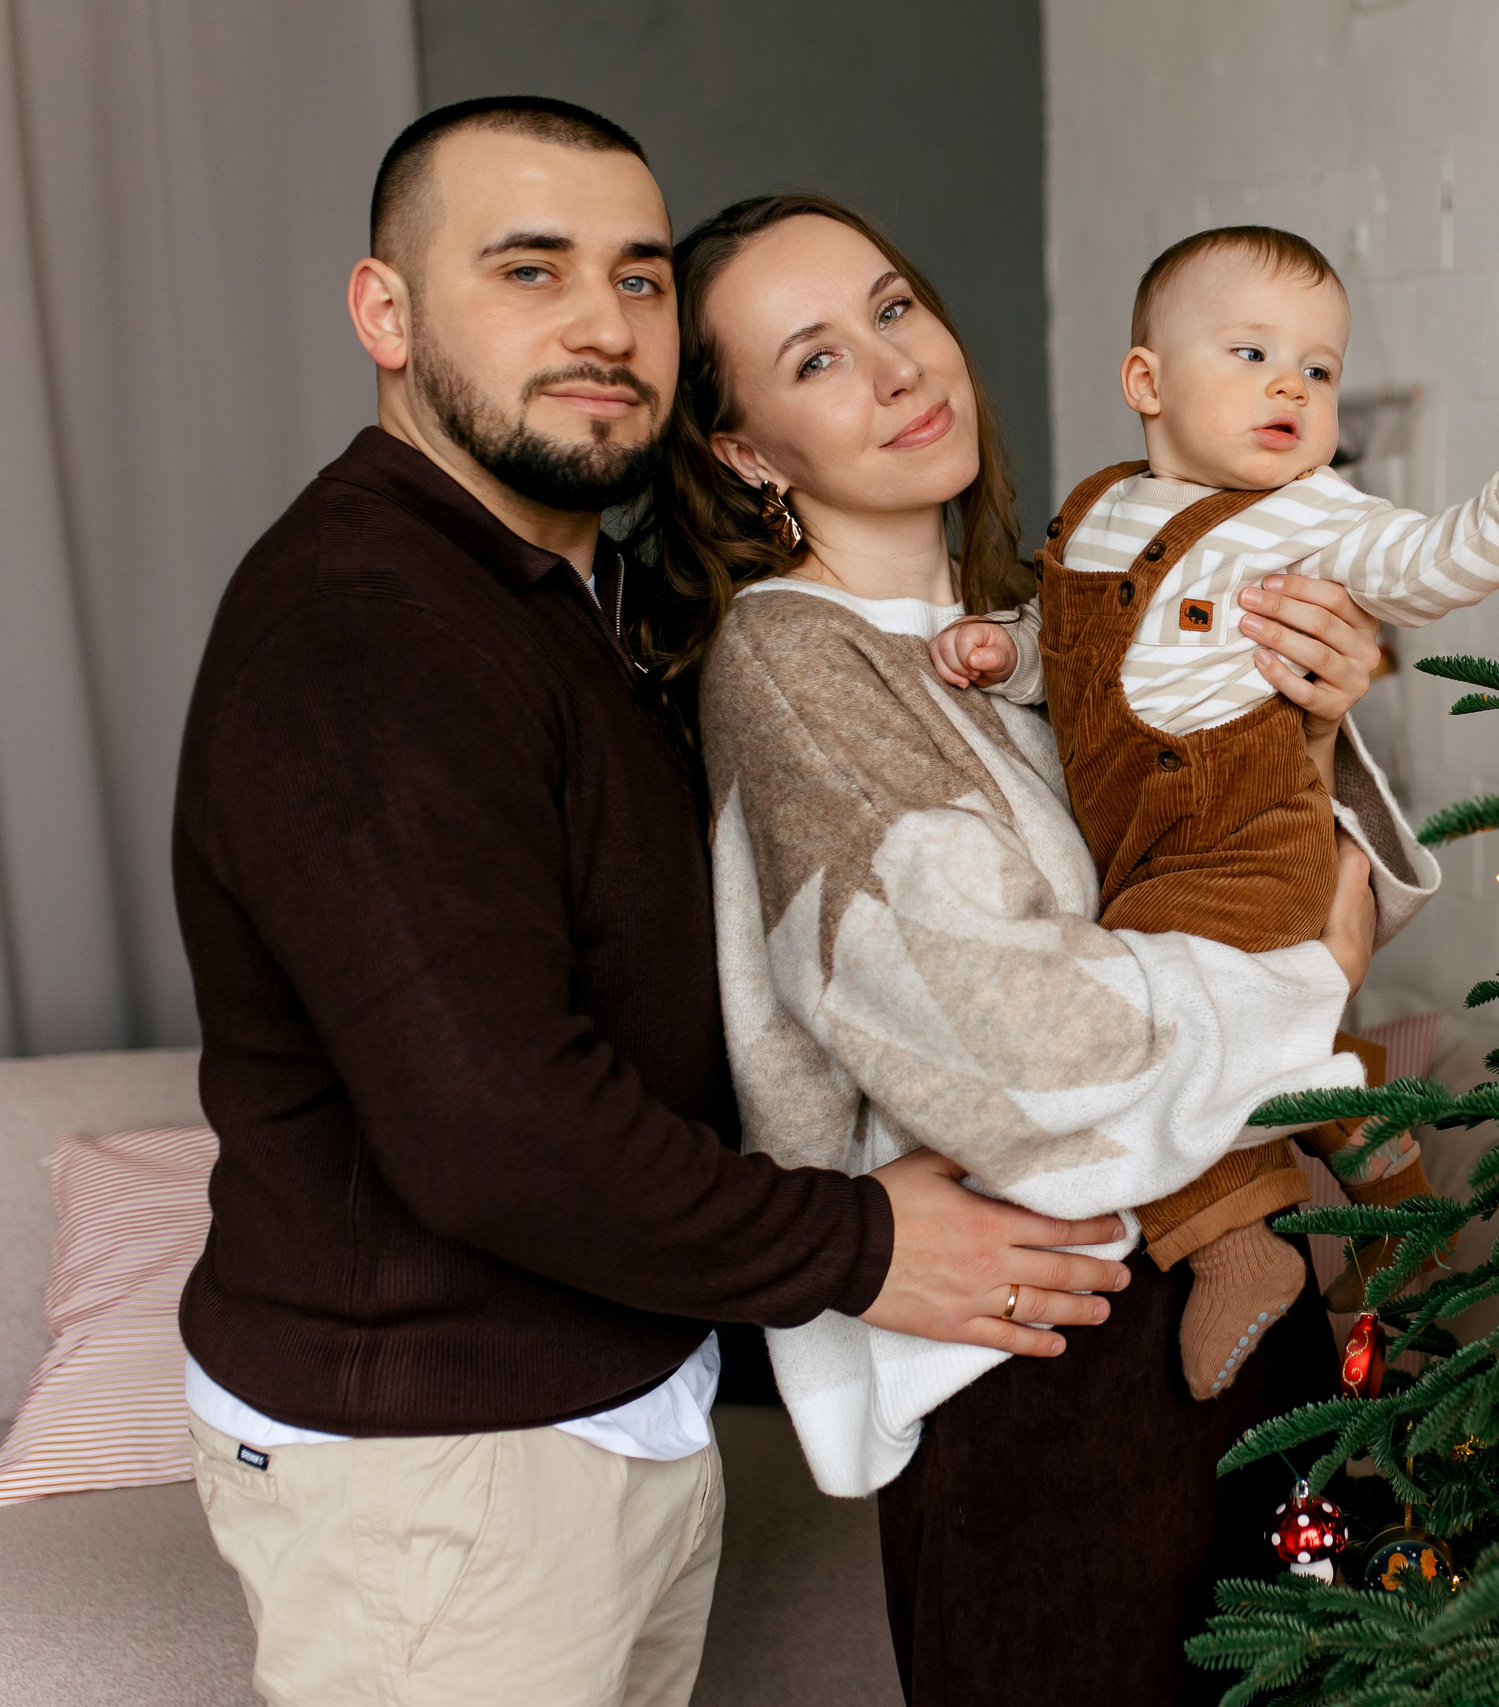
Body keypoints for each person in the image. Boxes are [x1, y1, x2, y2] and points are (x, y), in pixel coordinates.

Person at [171, 97, 1134, 1707]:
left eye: (634, 278)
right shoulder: (365, 631)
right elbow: (491, 1121)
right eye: (529, 271)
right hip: (443, 1464)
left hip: (606, 1408)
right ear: (385, 313)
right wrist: (859, 1242)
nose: (603, 327)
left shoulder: (558, 596)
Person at [643, 191, 1427, 1705]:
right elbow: (1009, 1035)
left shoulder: (1051, 609)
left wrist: (1313, 726)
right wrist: (1308, 984)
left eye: (891, 306)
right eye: (811, 359)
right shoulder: (792, 662)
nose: (892, 367)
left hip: (1242, 1271)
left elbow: (1254, 880)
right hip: (1050, 1353)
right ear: (743, 452)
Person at [928, 225, 1499, 1397]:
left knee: (1133, 1046)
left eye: (1318, 369)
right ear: (1147, 383)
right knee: (1230, 1041)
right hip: (1140, 844)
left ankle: (1239, 1246)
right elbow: (1082, 658)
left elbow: (1431, 558)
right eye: (1253, 352)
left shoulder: (1315, 514)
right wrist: (999, 651)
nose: (1289, 386)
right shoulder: (1099, 507)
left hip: (1246, 838)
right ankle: (1371, 1146)